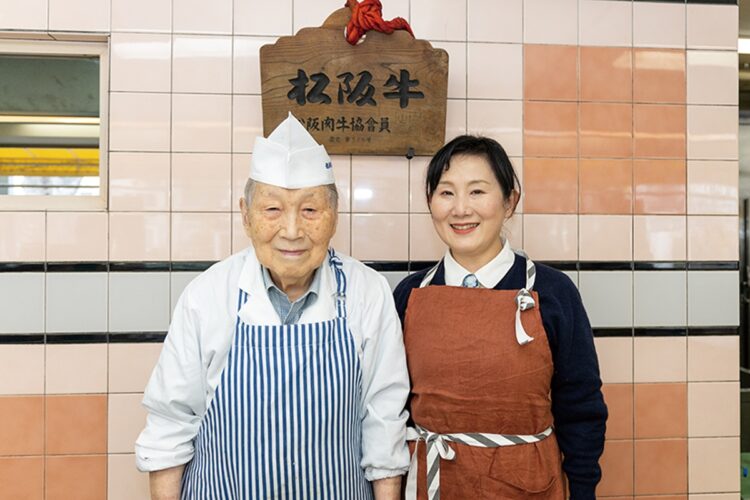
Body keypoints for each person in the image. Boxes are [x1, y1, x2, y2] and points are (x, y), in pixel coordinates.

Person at [136, 113, 410, 500]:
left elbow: (383, 422)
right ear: (245, 215)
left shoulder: (368, 292)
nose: (293, 230)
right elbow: (170, 425)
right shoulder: (208, 296)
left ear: (334, 217)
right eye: (273, 210)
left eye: (310, 210)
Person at [393, 135, 607, 499]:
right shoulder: (409, 295)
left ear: (510, 201)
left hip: (530, 485)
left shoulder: (553, 293)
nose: (460, 209)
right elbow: (391, 409)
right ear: (430, 203)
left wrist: (583, 490)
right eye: (446, 193)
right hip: (432, 485)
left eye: (477, 192)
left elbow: (581, 406)